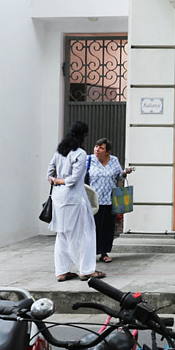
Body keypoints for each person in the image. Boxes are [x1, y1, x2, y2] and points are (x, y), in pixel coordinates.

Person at [47, 121, 97, 282]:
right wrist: (61, 181)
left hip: (58, 199)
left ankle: (62, 271)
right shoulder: (80, 153)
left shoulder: (59, 152)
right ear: (84, 135)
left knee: (62, 235)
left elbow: (49, 173)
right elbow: (74, 179)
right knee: (84, 234)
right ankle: (86, 270)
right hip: (74, 198)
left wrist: (55, 181)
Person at [88, 139, 133, 264]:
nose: (97, 150)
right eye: (96, 146)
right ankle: (90, 253)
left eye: (101, 148)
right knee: (92, 228)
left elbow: (119, 176)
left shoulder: (113, 160)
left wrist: (124, 173)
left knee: (107, 228)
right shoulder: (88, 160)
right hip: (92, 201)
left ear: (107, 152)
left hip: (109, 199)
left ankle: (104, 252)